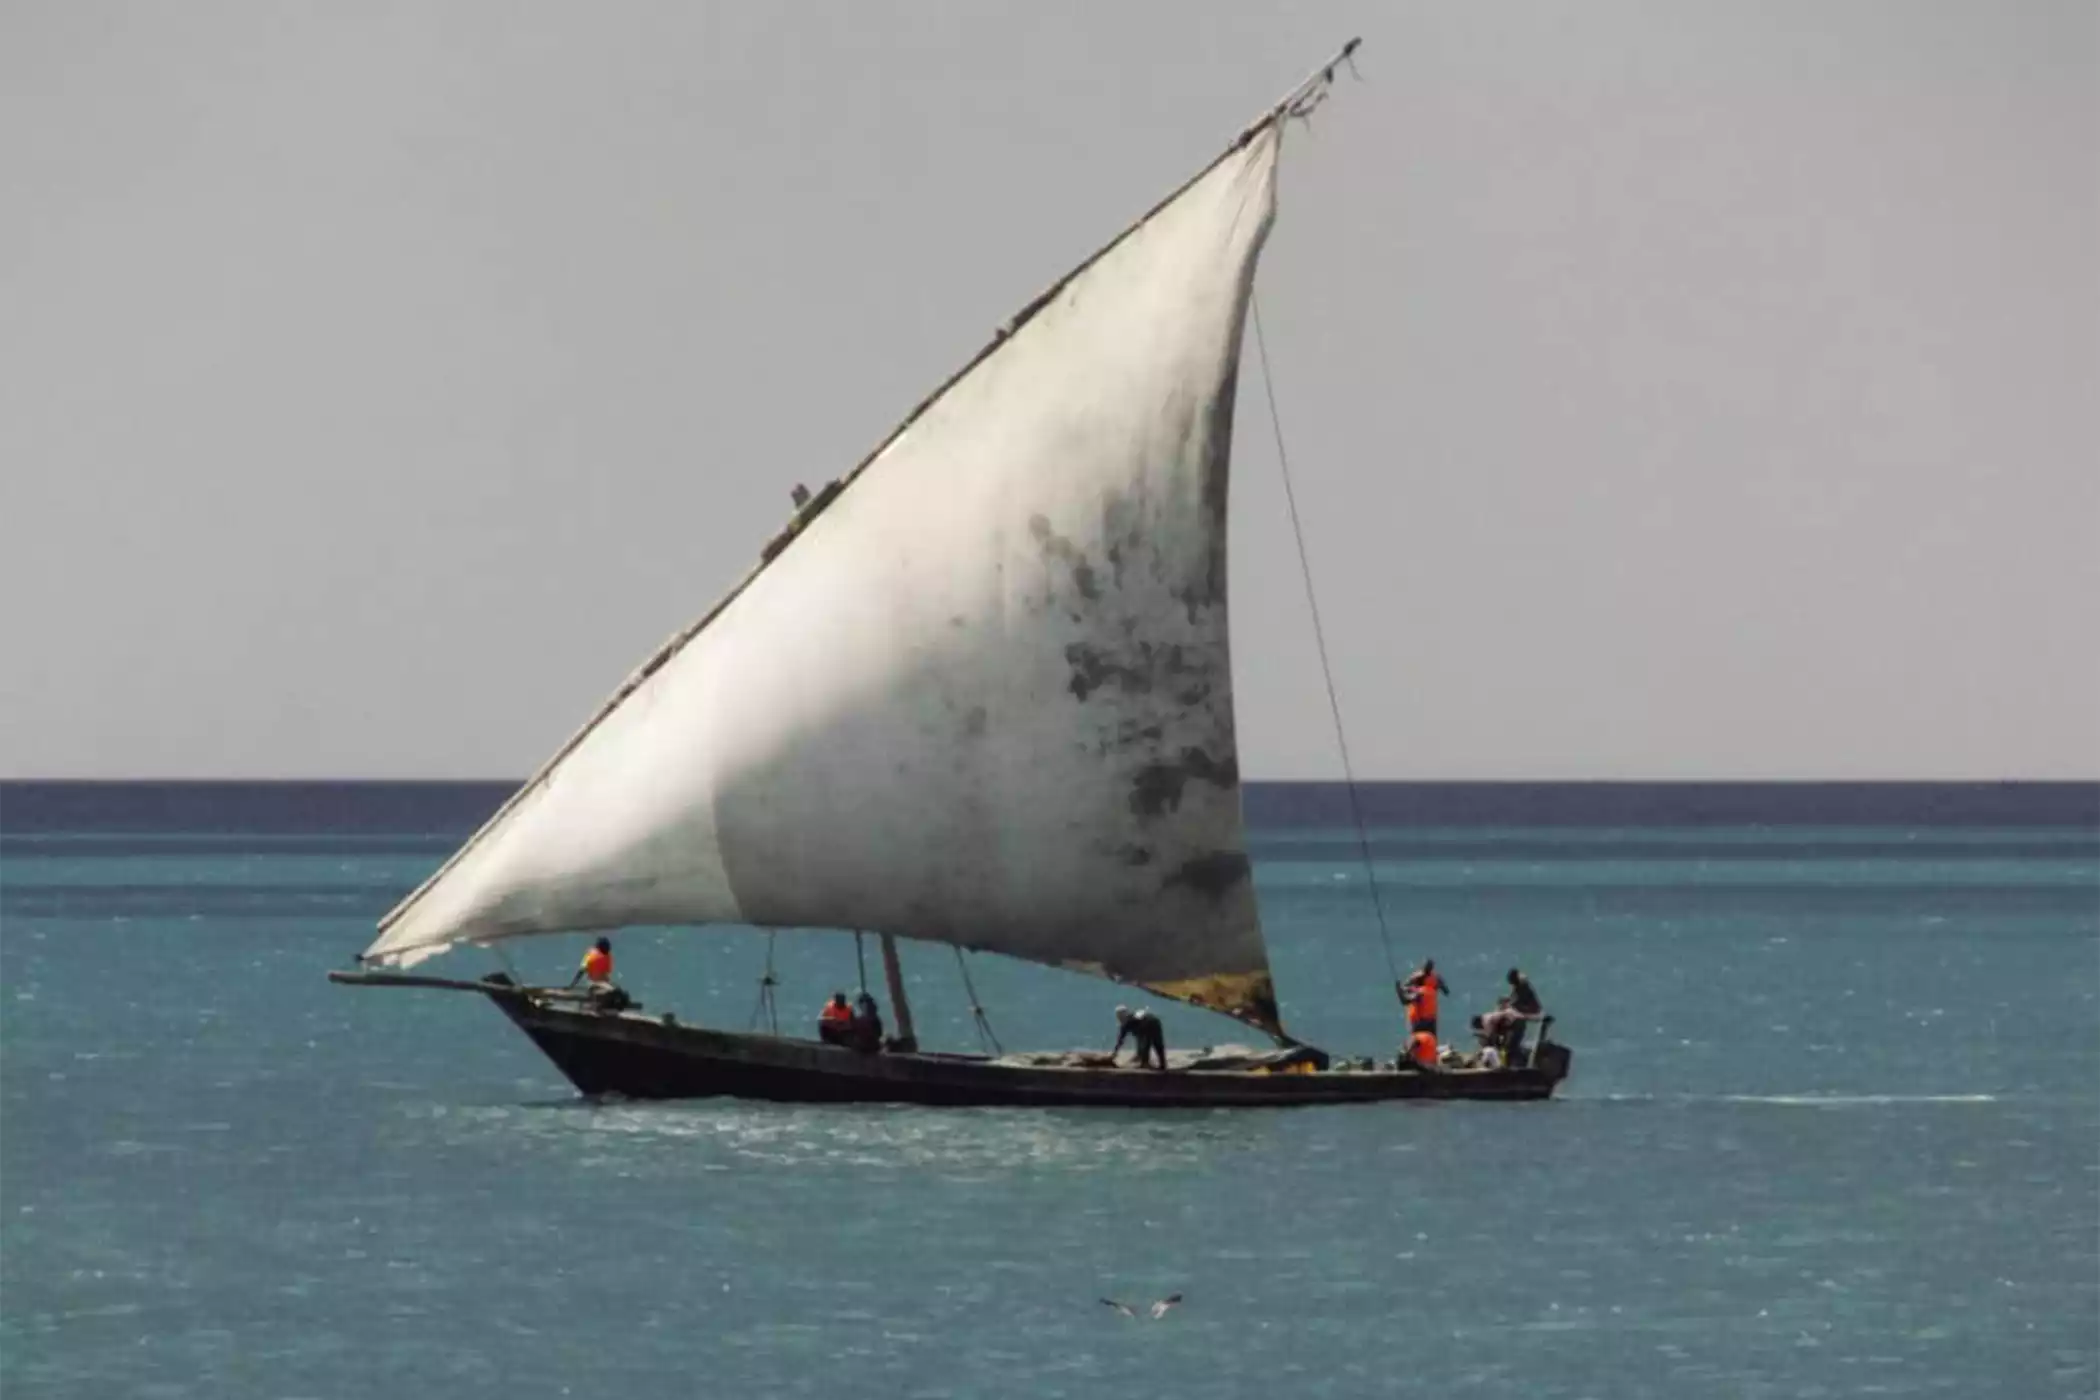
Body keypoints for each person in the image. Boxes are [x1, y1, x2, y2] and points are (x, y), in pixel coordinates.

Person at [1111, 1005, 1168, 1071]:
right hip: (1155, 1021)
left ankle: (1145, 1062)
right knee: (1157, 1044)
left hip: (1148, 1024)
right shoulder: (1133, 1016)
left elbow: (1121, 1040)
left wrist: (1115, 1052)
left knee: (1145, 1043)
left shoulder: (1126, 1022)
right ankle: (1162, 1064)